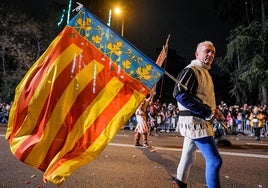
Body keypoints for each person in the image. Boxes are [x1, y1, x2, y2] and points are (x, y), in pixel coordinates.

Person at [172, 41, 223, 188]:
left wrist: (214, 110)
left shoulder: (204, 72)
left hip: (199, 120)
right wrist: (207, 112)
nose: (210, 55)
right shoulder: (191, 70)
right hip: (195, 121)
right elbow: (180, 95)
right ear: (197, 54)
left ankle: (179, 183)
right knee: (215, 161)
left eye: (213, 52)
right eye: (207, 51)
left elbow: (202, 98)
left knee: (187, 156)